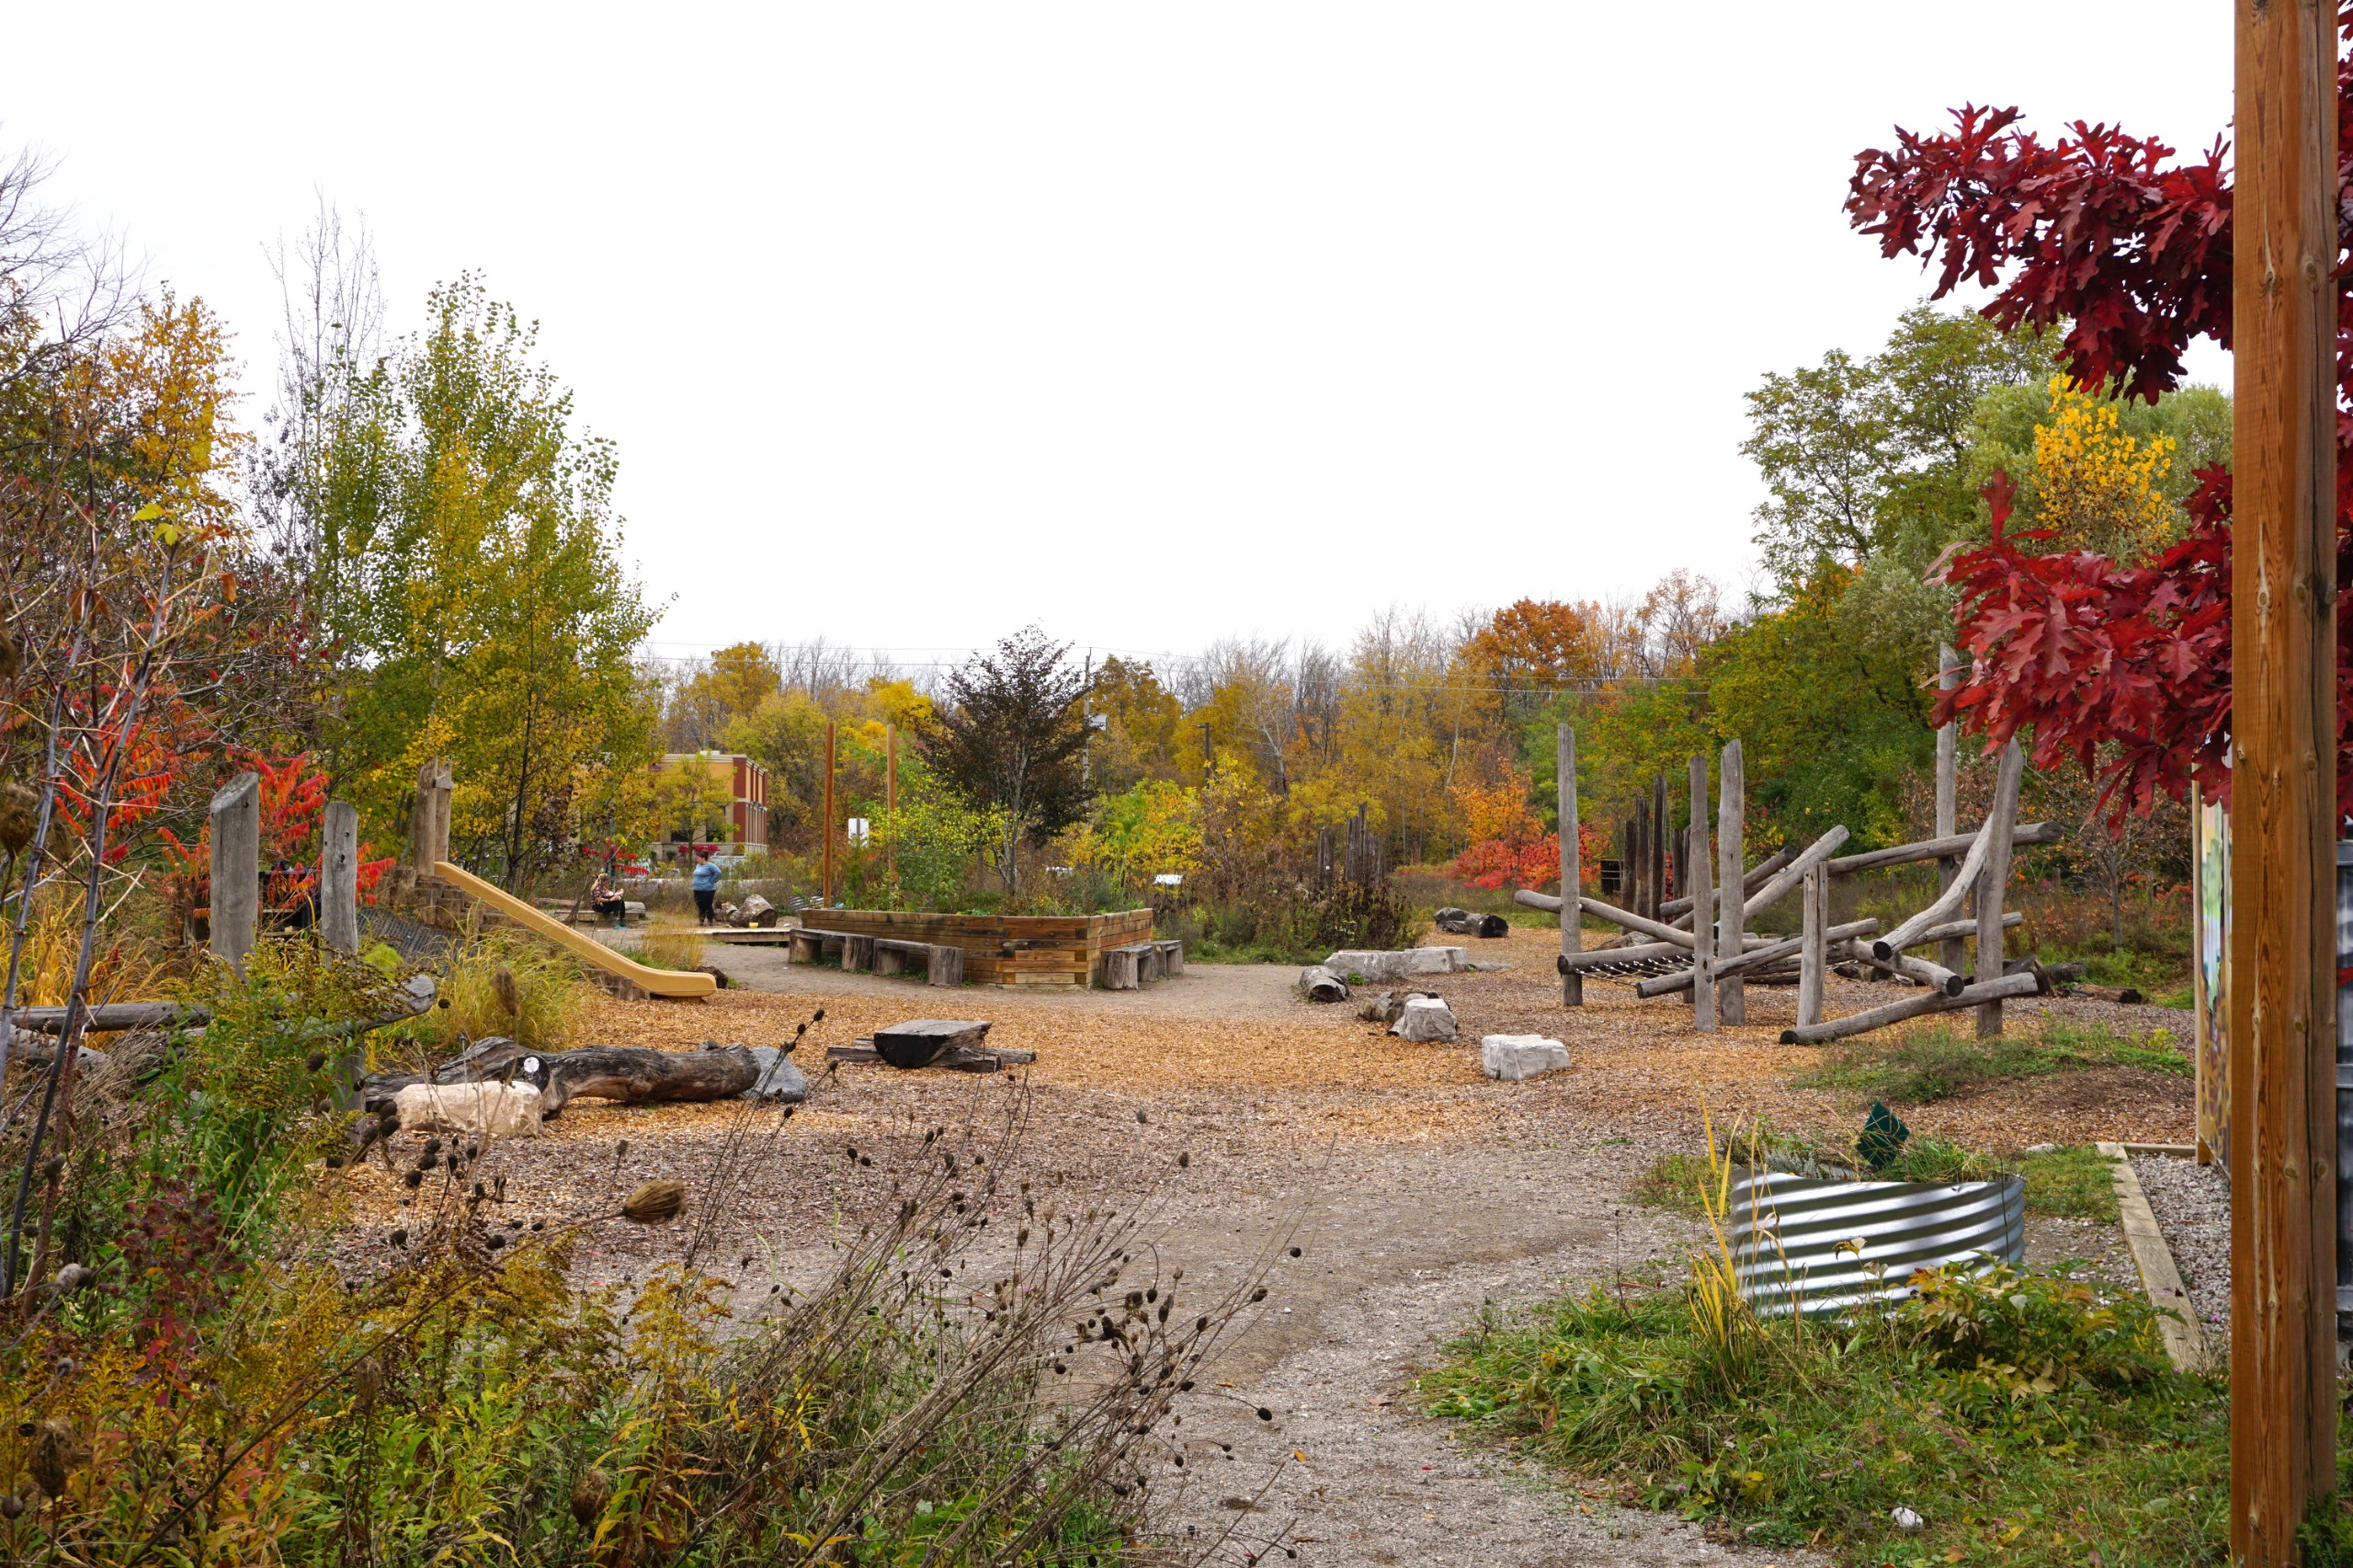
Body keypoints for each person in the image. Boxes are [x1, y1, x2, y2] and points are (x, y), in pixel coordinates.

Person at [691, 850, 721, 925]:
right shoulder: (698, 866)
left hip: (707, 889)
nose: (697, 860)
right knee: (700, 905)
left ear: (703, 858)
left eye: (698, 858)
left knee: (707, 905)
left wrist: (712, 881)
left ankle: (710, 921)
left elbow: (718, 873)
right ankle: (701, 920)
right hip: (697, 889)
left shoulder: (710, 865)